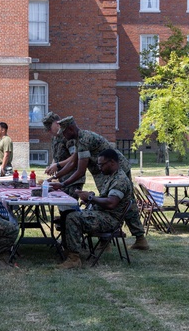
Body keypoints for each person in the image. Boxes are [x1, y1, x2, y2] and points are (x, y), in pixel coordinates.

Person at [54, 116, 149, 251]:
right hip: (103, 171)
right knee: (104, 200)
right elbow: (73, 162)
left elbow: (80, 171)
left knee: (124, 202)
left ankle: (139, 238)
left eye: (64, 132)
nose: (63, 136)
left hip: (114, 168)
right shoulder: (78, 140)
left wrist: (63, 184)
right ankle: (106, 242)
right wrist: (56, 176)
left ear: (70, 129)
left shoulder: (84, 139)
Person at [60, 149, 134, 269]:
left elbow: (111, 203)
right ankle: (68, 250)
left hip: (110, 219)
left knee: (72, 218)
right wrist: (90, 198)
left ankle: (74, 259)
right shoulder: (112, 177)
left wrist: (90, 198)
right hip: (101, 214)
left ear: (112, 162)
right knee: (66, 214)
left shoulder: (120, 180)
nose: (99, 167)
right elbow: (106, 199)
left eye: (101, 164)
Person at [43, 112, 84, 197]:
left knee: (69, 207)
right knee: (61, 206)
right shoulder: (54, 138)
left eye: (50, 128)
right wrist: (52, 165)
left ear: (57, 123)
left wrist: (58, 165)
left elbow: (75, 157)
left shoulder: (67, 135)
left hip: (73, 178)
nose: (49, 131)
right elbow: (56, 156)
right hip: (62, 178)